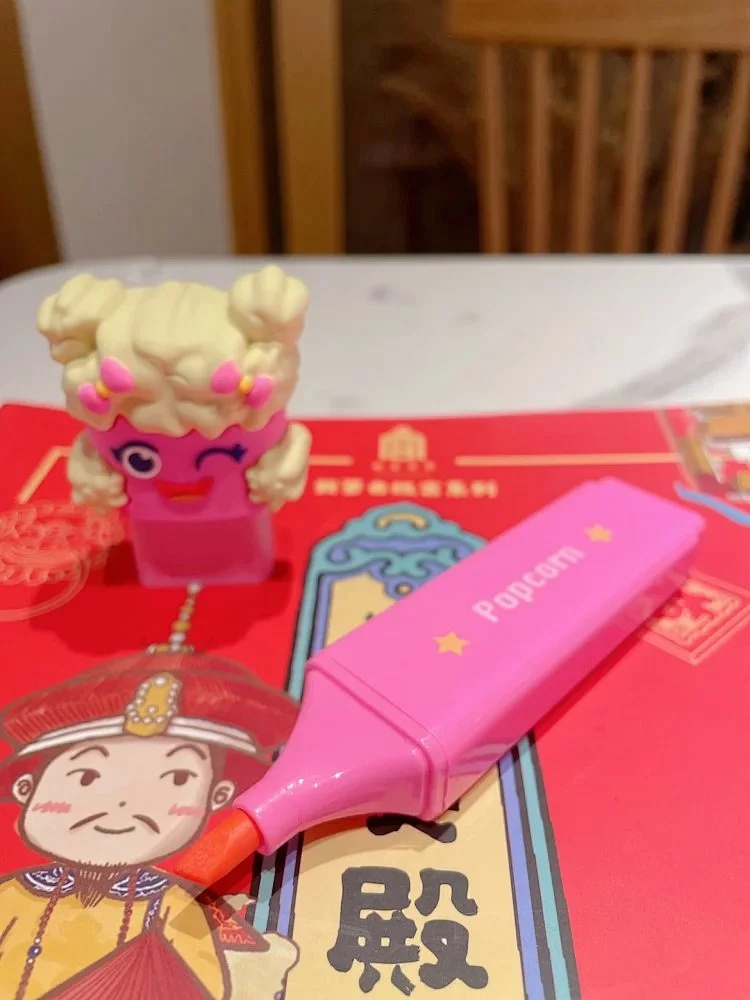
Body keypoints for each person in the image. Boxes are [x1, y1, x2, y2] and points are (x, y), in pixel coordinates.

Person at [0, 649, 300, 999]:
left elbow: (205, 985)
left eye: (175, 778)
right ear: (26, 789)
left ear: (217, 796)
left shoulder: (175, 905)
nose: (123, 801)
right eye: (86, 777)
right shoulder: (11, 896)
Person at [37, 265, 312, 587]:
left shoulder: (258, 414)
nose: (182, 480)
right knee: (160, 558)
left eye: (220, 455)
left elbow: (290, 441)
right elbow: (89, 449)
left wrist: (280, 471)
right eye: (140, 459)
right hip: (155, 540)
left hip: (241, 537)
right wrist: (94, 476)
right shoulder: (105, 429)